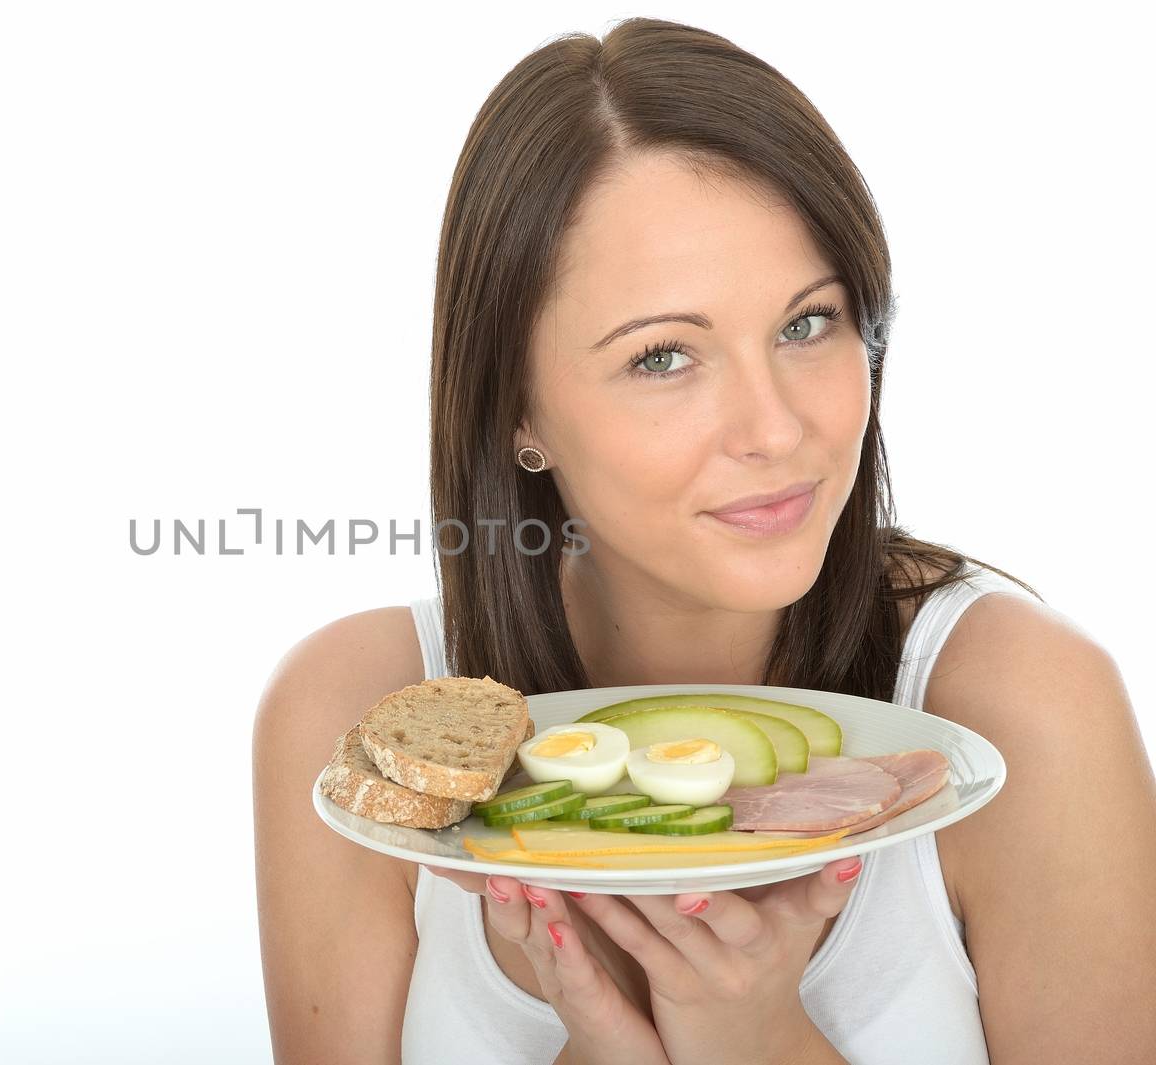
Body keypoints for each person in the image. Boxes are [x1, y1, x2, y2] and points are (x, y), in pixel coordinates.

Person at [252, 17, 1156, 1065]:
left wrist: (758, 1042)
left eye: (805, 324)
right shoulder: (355, 726)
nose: (776, 430)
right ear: (516, 414)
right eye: (663, 358)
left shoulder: (1019, 711)